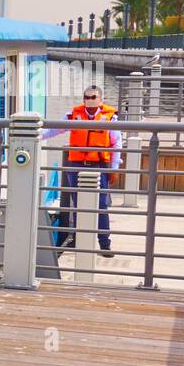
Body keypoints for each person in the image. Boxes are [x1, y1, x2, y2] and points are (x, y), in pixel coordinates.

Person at [50, 85, 120, 255]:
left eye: (93, 97)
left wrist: (114, 168)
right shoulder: (72, 115)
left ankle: (105, 245)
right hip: (76, 166)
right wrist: (33, 133)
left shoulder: (110, 118)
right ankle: (81, 242)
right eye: (86, 97)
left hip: (99, 166)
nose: (89, 100)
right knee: (78, 205)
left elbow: (116, 144)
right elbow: (53, 130)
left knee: (101, 205)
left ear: (100, 99)